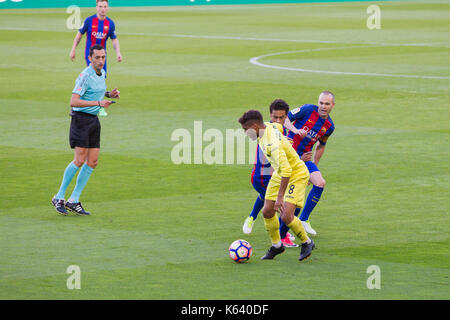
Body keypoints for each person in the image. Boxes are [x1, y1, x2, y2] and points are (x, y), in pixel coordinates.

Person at [52, 45, 120, 216]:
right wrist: (98, 104)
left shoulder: (102, 73)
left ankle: (73, 200)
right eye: (97, 57)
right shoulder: (84, 75)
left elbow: (95, 92)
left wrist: (108, 95)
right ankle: (59, 196)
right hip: (80, 121)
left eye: (103, 57)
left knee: (93, 161)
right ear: (90, 58)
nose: (100, 61)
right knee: (79, 160)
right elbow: (74, 101)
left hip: (93, 121)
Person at [238, 110, 315, 261]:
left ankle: (307, 242)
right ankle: (277, 246)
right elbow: (279, 127)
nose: (245, 133)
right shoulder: (268, 126)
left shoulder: (271, 144)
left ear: (254, 126)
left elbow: (287, 171)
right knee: (267, 211)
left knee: (286, 215)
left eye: (246, 130)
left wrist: (280, 197)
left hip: (295, 174)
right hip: (280, 173)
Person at [242, 99, 301, 248]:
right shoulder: (264, 132)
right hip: (263, 176)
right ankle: (282, 238)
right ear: (270, 115)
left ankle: (251, 217)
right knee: (289, 206)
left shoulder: (277, 130)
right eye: (275, 117)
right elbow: (274, 164)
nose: (278, 120)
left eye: (282, 118)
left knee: (266, 198)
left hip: (272, 176)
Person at [282, 91, 336, 235]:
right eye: (321, 103)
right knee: (288, 196)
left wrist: (314, 165)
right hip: (288, 155)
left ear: (332, 105)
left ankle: (304, 220)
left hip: (304, 159)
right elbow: (285, 118)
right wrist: (295, 130)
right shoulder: (307, 110)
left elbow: (321, 145)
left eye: (327, 104)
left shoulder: (329, 126)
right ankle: (283, 231)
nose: (323, 106)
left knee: (319, 183)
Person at [69, 0, 122, 73]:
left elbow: (114, 39)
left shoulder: (110, 23)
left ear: (108, 8)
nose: (102, 9)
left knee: (102, 76)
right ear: (96, 7)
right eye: (100, 6)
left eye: (105, 7)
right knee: (94, 74)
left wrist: (118, 53)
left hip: (102, 55)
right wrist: (73, 49)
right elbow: (79, 36)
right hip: (90, 54)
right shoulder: (89, 20)